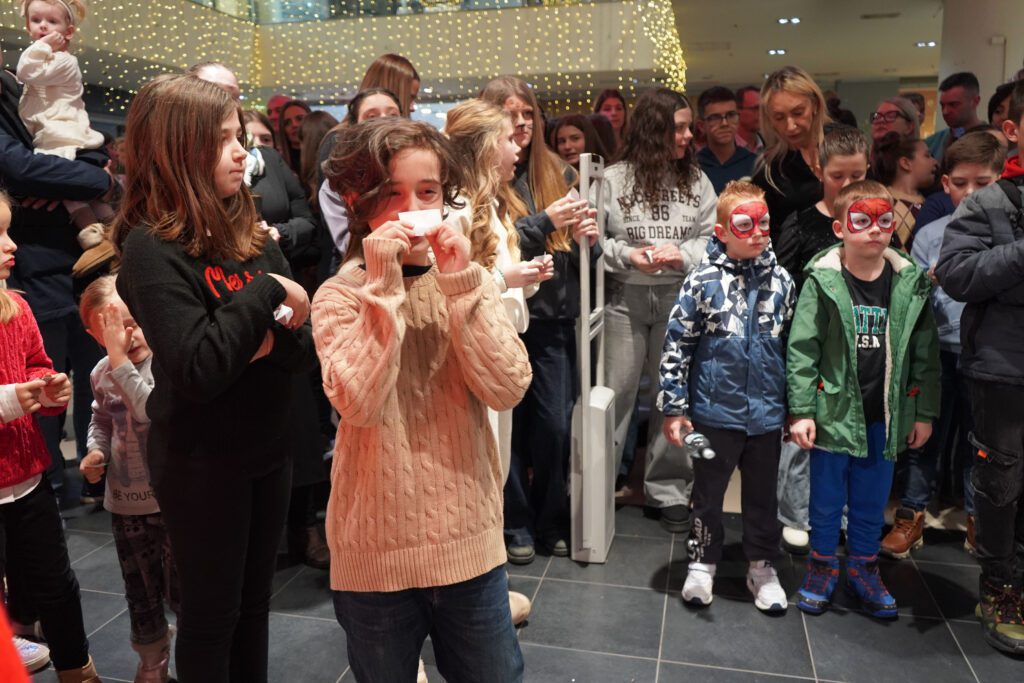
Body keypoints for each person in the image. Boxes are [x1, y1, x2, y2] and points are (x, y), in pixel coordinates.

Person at [113, 74, 316, 682]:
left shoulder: (246, 228)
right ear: (180, 148)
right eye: (224, 140)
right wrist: (268, 292)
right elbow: (199, 370)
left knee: (254, 610)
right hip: (202, 462)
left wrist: (242, 338)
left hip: (267, 448)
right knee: (210, 618)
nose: (241, 152)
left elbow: (301, 351)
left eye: (239, 137)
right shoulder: (151, 248)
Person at [314, 116, 530, 681]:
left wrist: (462, 284)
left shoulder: (468, 281)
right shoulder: (338, 297)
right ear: (358, 202)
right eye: (392, 194)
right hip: (374, 551)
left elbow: (507, 386)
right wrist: (383, 287)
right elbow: (359, 403)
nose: (411, 210)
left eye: (427, 192)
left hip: (470, 544)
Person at [788, 180, 939, 619]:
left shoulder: (909, 284)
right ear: (840, 228)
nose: (874, 229)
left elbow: (925, 354)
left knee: (873, 499)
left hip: (885, 415)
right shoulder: (823, 281)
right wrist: (801, 410)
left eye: (884, 220)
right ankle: (821, 566)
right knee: (826, 498)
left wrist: (923, 411)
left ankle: (863, 567)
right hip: (834, 412)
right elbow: (802, 349)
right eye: (862, 220)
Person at [659, 181, 794, 612]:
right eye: (744, 225)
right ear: (721, 232)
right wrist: (675, 407)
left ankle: (762, 565)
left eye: (763, 223)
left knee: (763, 496)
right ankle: (702, 562)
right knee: (708, 492)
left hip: (767, 415)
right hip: (714, 413)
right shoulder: (702, 280)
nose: (757, 233)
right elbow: (677, 344)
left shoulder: (783, 282)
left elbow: (794, 350)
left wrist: (797, 409)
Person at [882, 132, 1005, 560]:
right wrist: (926, 280)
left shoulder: (1009, 234)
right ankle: (911, 514)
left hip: (989, 355)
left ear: (1001, 180)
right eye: (960, 183)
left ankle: (977, 519)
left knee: (981, 443)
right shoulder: (931, 234)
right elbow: (910, 294)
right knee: (924, 438)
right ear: (946, 184)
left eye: (982, 183)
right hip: (936, 353)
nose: (970, 193)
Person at [599, 87, 715, 533]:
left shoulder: (697, 180)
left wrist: (680, 255)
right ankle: (599, 485)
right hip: (622, 298)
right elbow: (593, 240)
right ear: (654, 129)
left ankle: (668, 490)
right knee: (615, 394)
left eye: (687, 127)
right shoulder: (612, 179)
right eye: (679, 128)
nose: (688, 136)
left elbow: (710, 238)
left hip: (677, 297)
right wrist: (628, 255)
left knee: (673, 395)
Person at [935, 80, 1024, 655]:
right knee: (1000, 482)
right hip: (1002, 368)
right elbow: (959, 274)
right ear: (1012, 129)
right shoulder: (990, 202)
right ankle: (1001, 588)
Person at [0, 57, 112, 505]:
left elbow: (93, 151)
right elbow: (19, 169)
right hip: (33, 269)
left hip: (82, 264)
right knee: (43, 379)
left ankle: (94, 476)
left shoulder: (27, 88)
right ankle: (49, 488)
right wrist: (85, 181)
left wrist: (84, 179)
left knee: (94, 378)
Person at [0, 191, 97, 681]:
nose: (11, 244)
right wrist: (16, 398)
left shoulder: (16, 307)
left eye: (8, 230)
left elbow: (37, 365)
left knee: (56, 583)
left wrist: (51, 387)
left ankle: (77, 668)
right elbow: (16, 392)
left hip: (28, 475)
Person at [78, 275, 180, 683]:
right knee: (140, 590)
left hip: (171, 500)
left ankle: (197, 652)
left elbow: (147, 410)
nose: (127, 336)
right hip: (125, 503)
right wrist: (96, 451)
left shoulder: (165, 363)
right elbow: (101, 419)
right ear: (95, 336)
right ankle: (152, 657)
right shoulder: (100, 373)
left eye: (133, 323)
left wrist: (120, 361)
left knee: (185, 588)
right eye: (113, 331)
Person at [17, 0, 114, 277]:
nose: (43, 26)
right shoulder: (48, 59)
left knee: (66, 188)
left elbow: (26, 71)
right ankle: (112, 231)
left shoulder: (63, 61)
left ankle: (92, 237)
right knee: (87, 195)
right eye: (36, 20)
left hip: (61, 133)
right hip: (56, 131)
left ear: (68, 31)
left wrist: (41, 45)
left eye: (52, 22)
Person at [317, 88, 404, 269]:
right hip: (366, 269)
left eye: (393, 115)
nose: (384, 120)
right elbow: (348, 246)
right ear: (355, 127)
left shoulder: (422, 168)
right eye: (371, 116)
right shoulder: (338, 182)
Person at [777, 125, 870, 292]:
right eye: (837, 176)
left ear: (867, 170)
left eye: (856, 176)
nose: (847, 184)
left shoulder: (877, 221)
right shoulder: (800, 225)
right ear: (819, 172)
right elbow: (780, 283)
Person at [752, 66, 828, 240]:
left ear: (815, 105)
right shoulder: (769, 170)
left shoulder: (844, 147)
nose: (790, 126)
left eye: (798, 113)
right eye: (779, 118)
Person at [872, 132, 937, 251]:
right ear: (906, 163)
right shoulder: (882, 202)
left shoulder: (931, 204)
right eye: (927, 156)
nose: (935, 162)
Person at [696, 86, 757, 194]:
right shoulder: (693, 166)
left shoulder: (755, 164)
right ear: (702, 126)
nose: (724, 123)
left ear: (738, 119)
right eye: (715, 117)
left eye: (731, 115)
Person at [926, 72, 984, 163]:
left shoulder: (993, 139)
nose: (945, 111)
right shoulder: (932, 142)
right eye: (942, 105)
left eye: (953, 104)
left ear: (975, 101)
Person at [275, 98, 311, 173]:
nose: (294, 124)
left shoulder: (325, 155)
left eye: (300, 119)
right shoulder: (279, 162)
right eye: (287, 123)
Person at [593, 88, 627, 153]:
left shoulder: (633, 145)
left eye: (619, 108)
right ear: (597, 114)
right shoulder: (590, 145)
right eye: (607, 109)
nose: (614, 113)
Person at [735, 85, 763, 154]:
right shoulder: (725, 148)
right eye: (756, 108)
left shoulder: (769, 147)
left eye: (763, 109)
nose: (761, 113)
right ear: (738, 111)